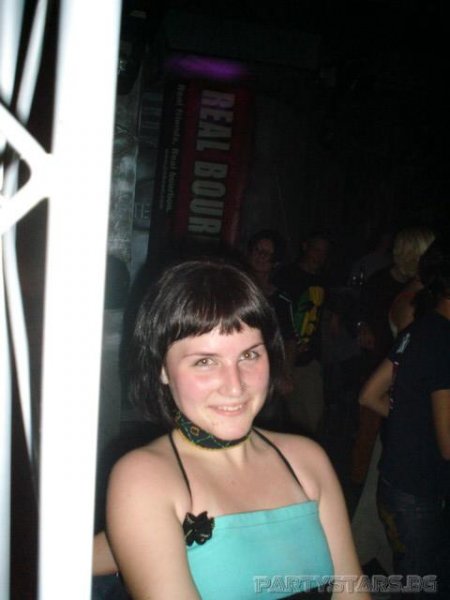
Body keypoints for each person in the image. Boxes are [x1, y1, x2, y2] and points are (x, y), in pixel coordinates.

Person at [105, 258, 369, 599]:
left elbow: (352, 590)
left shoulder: (306, 459)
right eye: (205, 361)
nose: (235, 386)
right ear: (162, 369)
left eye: (249, 356)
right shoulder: (145, 477)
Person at [359, 238, 450, 598]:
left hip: (398, 481)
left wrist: (414, 421)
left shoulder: (421, 329)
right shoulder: (443, 340)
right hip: (420, 489)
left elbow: (370, 394)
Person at [351, 226, 436, 484]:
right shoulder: (410, 299)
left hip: (391, 379)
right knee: (373, 443)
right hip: (389, 380)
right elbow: (408, 354)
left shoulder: (422, 295)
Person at [273, 231, 333, 436]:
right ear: (305, 246)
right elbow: (279, 316)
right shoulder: (286, 276)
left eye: (324, 252)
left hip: (309, 359)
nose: (319, 256)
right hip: (282, 356)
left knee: (311, 417)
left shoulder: (324, 280)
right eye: (316, 249)